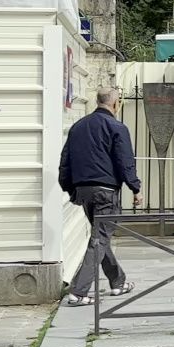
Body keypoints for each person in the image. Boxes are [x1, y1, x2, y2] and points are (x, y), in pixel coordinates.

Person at [59, 88, 143, 305]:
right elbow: (125, 162)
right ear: (115, 104)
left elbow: (65, 162)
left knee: (99, 238)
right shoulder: (117, 127)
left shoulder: (78, 127)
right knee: (99, 240)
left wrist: (70, 189)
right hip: (105, 190)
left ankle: (118, 282)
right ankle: (79, 292)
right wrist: (135, 188)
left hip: (84, 190)